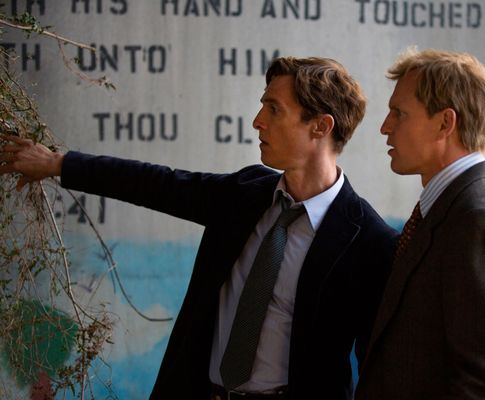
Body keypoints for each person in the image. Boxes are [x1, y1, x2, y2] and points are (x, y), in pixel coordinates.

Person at [0, 56, 398, 400]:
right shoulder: (245, 193)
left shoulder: (369, 241)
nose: (257, 121)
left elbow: (378, 366)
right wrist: (58, 164)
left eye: (274, 109)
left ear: (320, 127)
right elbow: (156, 184)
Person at [355, 48, 485, 399]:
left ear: (445, 123)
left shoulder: (482, 219)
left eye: (399, 113)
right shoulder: (455, 207)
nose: (385, 127)